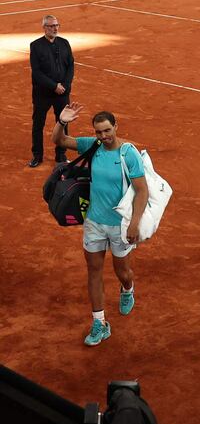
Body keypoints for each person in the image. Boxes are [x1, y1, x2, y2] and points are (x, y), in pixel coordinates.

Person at [52, 103, 148, 346]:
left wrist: (134, 224)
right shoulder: (92, 146)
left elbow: (142, 191)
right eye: (98, 132)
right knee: (93, 271)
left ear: (115, 126)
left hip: (120, 226)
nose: (103, 136)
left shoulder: (129, 153)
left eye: (107, 130)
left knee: (121, 271)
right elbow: (60, 142)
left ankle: (127, 289)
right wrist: (61, 122)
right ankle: (99, 322)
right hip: (94, 222)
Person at [29, 15, 74, 168]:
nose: (55, 28)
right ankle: (37, 155)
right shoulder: (35, 46)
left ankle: (61, 155)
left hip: (62, 93)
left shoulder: (64, 43)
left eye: (56, 25)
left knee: (62, 123)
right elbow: (37, 72)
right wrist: (54, 86)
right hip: (43, 94)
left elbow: (71, 66)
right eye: (51, 26)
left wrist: (66, 85)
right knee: (38, 124)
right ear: (44, 27)